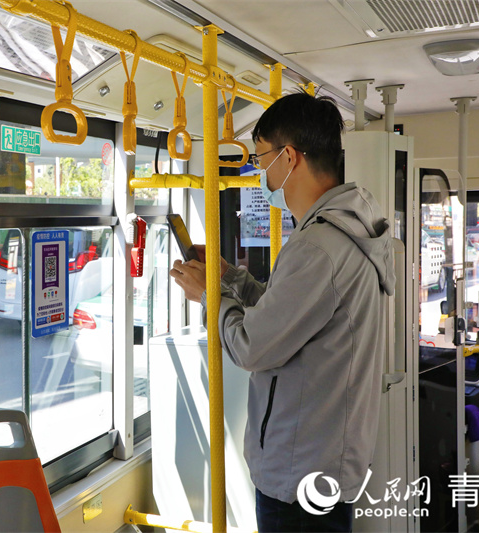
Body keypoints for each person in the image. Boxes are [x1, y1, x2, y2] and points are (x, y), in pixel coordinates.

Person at [170, 93, 396, 532]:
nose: (259, 172)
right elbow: (287, 315)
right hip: (324, 460)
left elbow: (253, 346)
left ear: (288, 157)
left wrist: (207, 299)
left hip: (298, 474)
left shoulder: (316, 248)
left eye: (260, 159)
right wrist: (232, 279)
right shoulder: (343, 230)